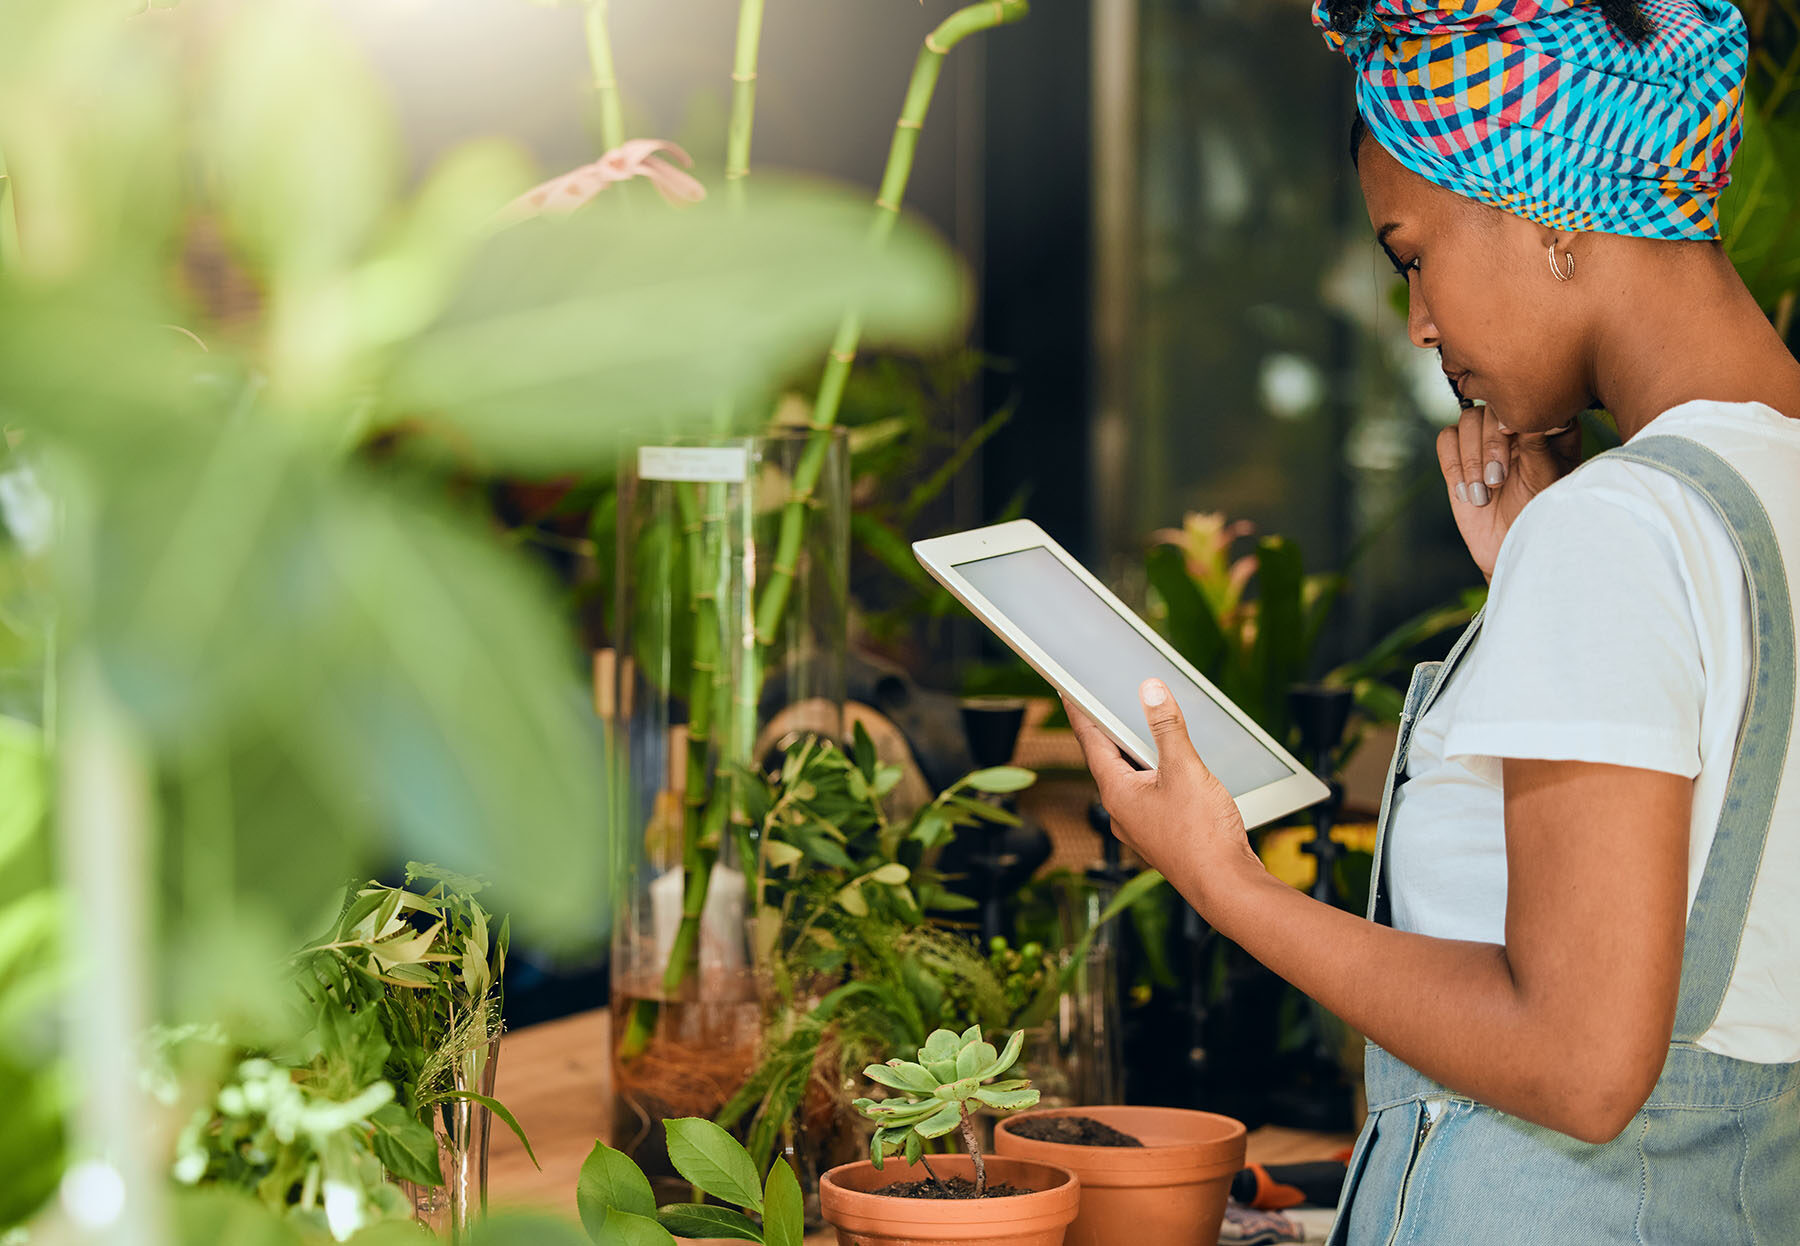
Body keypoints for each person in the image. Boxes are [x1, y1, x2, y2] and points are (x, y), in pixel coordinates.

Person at [1063, 0, 1800, 1240]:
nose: (1418, 324)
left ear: (1552, 218)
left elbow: (1580, 1061)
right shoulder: (1739, 495)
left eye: (1412, 255)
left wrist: (1220, 878)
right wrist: (1543, 587)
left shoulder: (1617, 532)